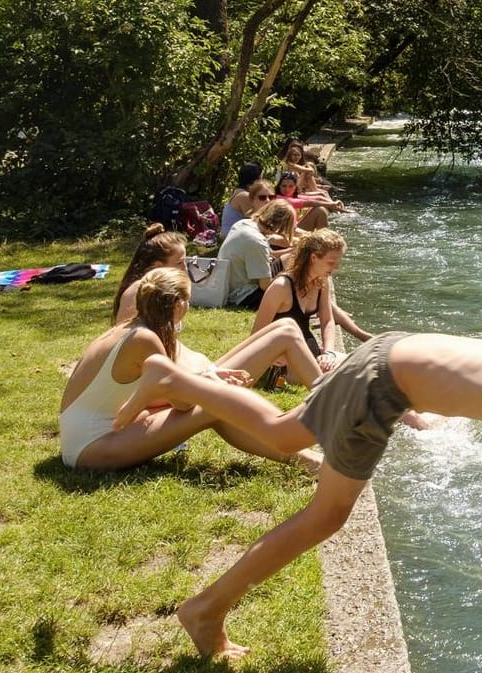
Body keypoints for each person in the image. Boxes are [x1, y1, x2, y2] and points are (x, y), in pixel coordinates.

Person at [113, 332, 482, 658]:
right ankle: (205, 610)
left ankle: (172, 379)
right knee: (326, 516)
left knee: (280, 432)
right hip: (381, 388)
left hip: (382, 356)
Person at [61, 268, 322, 472]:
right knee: (214, 404)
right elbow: (183, 403)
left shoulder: (135, 327)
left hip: (103, 431)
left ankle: (328, 409)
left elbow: (157, 391)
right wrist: (209, 384)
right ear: (177, 304)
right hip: (91, 448)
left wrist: (206, 379)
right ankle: (308, 460)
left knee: (284, 328)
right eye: (188, 300)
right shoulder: (144, 339)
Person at [115, 224, 324, 388]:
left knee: (283, 327)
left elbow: (168, 349)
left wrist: (203, 365)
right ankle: (330, 403)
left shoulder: (154, 293)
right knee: (285, 333)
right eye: (180, 262)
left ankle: (327, 394)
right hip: (174, 383)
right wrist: (202, 375)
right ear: (157, 267)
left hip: (185, 373)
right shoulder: (138, 294)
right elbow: (140, 359)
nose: (185, 267)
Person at [251, 229, 372, 373]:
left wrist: (329, 353)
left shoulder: (321, 281)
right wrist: (273, 357)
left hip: (310, 354)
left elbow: (327, 320)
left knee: (364, 365)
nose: (336, 267)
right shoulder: (281, 287)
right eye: (331, 262)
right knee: (351, 373)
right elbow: (256, 334)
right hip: (281, 360)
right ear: (313, 258)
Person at [217, 199, 298, 310]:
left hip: (230, 283)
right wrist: (289, 282)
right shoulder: (257, 242)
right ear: (281, 225)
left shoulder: (243, 224)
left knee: (289, 258)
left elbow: (272, 247)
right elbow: (265, 286)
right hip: (243, 294)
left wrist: (294, 249)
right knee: (294, 292)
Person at [275, 171, 348, 232]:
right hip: (288, 232)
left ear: (295, 187)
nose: (287, 189)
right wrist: (331, 204)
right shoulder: (280, 198)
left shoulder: (291, 196)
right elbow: (309, 203)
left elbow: (317, 198)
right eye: (284, 186)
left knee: (320, 203)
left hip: (294, 227)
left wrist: (334, 204)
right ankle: (324, 239)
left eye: (291, 186)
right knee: (320, 210)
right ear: (279, 187)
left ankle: (323, 236)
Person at [220, 162, 264, 238]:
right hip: (232, 236)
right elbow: (254, 221)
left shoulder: (239, 191)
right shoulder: (244, 196)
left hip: (233, 234)